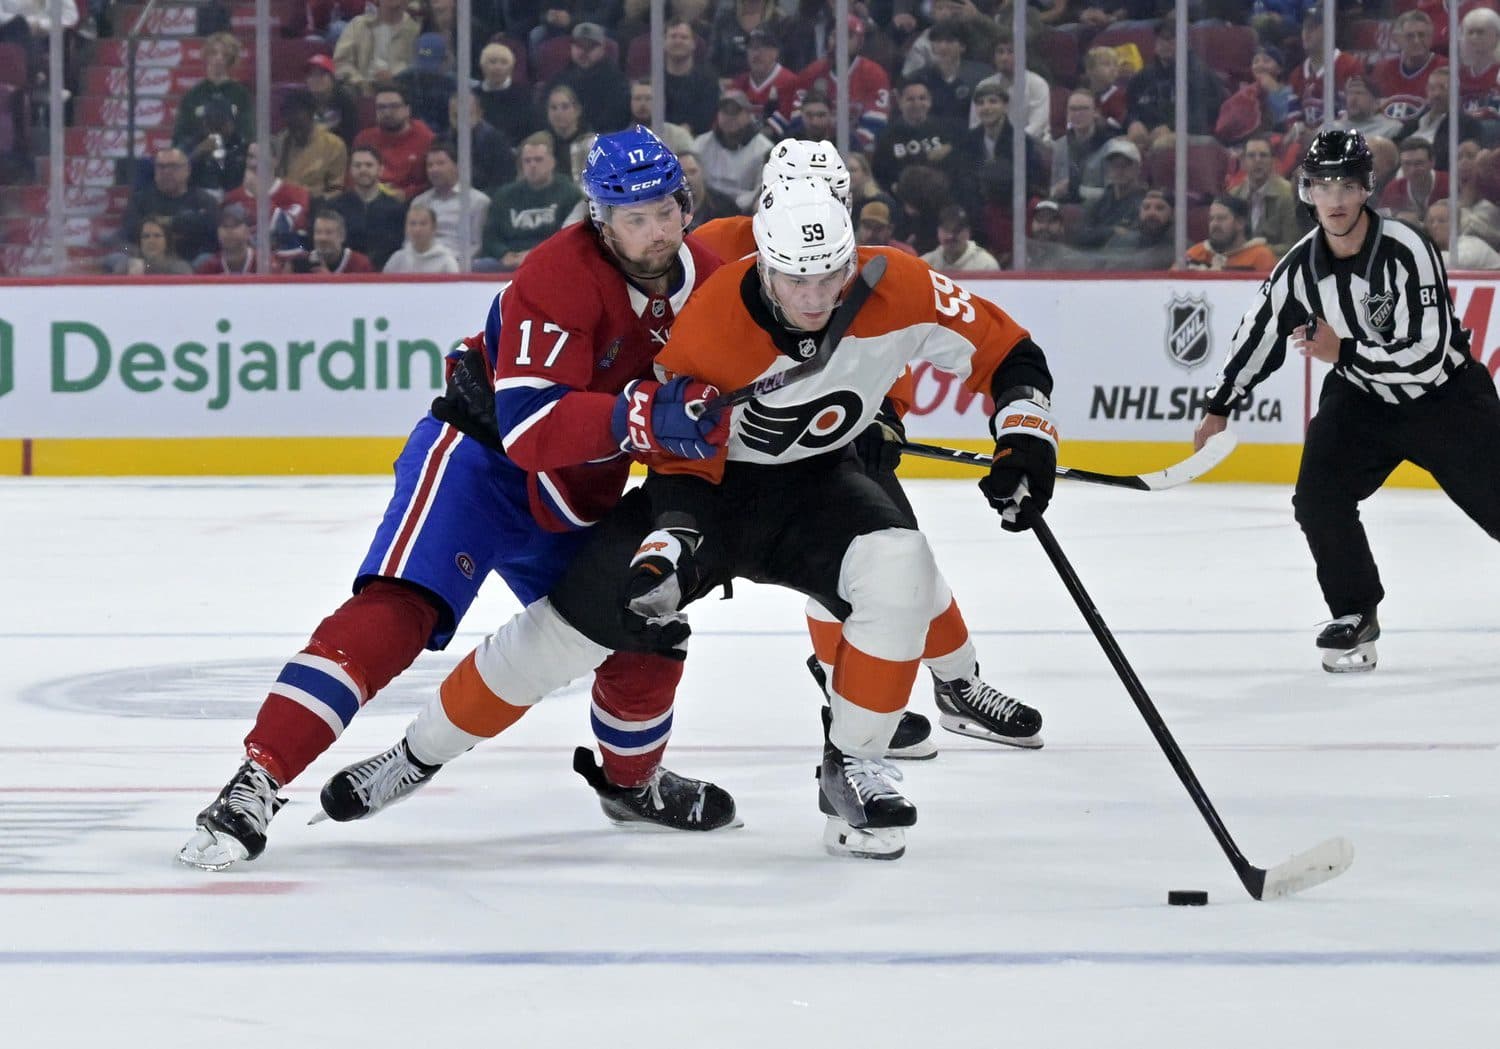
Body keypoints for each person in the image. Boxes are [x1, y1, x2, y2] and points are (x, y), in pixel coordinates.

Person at [323, 175, 1058, 861]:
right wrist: (673, 544)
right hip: (709, 496)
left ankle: (855, 770)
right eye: (794, 278)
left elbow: (1005, 349)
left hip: (817, 489)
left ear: (853, 259)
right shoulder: (709, 322)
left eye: (830, 276)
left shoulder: (896, 282)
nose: (812, 298)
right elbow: (682, 463)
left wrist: (1025, 437)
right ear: (761, 258)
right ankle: (416, 754)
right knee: (563, 635)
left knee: (901, 566)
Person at [178, 127, 728, 871]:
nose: (656, 230)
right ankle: (254, 781)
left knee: (647, 621)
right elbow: (532, 427)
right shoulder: (558, 273)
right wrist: (644, 414)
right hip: (480, 464)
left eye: (666, 209)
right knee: (397, 613)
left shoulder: (712, 276)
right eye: (634, 216)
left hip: (579, 488)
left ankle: (632, 784)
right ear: (599, 218)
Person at [690, 140, 1041, 752]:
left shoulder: (860, 262)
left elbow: (884, 339)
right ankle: (845, 691)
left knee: (903, 562)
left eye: (835, 202)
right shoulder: (715, 249)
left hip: (834, 435)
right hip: (746, 457)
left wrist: (886, 413)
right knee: (842, 575)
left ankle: (955, 683)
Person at [1192, 129, 1496, 675]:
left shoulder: (1408, 249)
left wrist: (1342, 351)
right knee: (1318, 500)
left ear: (1366, 190)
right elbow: (1257, 334)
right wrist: (1220, 403)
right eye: (1322, 185)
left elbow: (1427, 354)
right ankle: (1355, 613)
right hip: (1361, 400)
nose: (1334, 198)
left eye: (1346, 185)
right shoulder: (1298, 267)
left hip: (1446, 400)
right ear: (1307, 192)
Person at [479, 132, 582, 271]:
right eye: (527, 161)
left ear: (552, 162)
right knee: (479, 266)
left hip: (552, 259)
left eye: (538, 160)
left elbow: (572, 237)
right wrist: (503, 254)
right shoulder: (504, 196)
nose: (532, 165)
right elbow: (490, 237)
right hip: (510, 260)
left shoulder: (570, 193)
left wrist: (534, 254)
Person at [122, 147, 220, 264]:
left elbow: (212, 236)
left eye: (173, 166)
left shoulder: (204, 200)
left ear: (187, 170)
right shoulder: (140, 200)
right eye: (161, 167)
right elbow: (130, 232)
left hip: (192, 263)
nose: (166, 172)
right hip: (148, 262)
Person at [691, 90, 774, 212]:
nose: (729, 117)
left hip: (742, 210)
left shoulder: (764, 149)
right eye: (725, 112)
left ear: (748, 115)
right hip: (706, 207)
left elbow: (762, 190)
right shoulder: (701, 144)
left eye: (735, 112)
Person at [329, 144, 409, 269]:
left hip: (386, 275)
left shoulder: (396, 209)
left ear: (380, 169)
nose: (363, 170)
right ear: (350, 170)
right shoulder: (335, 207)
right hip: (345, 275)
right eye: (358, 165)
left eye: (369, 165)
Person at [172, 32, 253, 153]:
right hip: (197, 160)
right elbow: (179, 136)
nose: (219, 58)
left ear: (231, 59)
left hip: (234, 159)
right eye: (214, 53)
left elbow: (248, 133)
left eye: (225, 55)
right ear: (206, 55)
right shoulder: (193, 95)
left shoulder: (241, 94)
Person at [352, 85, 436, 200]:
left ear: (407, 110)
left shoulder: (426, 139)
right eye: (381, 107)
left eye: (394, 106)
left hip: (411, 203)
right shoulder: (364, 138)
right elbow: (351, 178)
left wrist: (406, 194)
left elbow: (434, 181)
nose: (387, 112)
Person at [411, 142, 491, 261]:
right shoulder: (419, 202)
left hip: (458, 263)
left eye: (440, 164)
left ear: (457, 166)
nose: (434, 169)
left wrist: (453, 264)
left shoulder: (478, 201)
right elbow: (410, 241)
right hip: (422, 262)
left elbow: (477, 245)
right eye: (430, 165)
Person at [547, 22, 631, 134]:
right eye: (579, 46)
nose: (584, 52)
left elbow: (615, 118)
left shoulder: (616, 81)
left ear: (602, 48)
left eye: (590, 46)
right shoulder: (560, 78)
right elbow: (544, 109)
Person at [1230, 133, 1304, 258]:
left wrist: (1254, 251)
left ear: (1272, 161)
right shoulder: (1234, 195)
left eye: (1263, 155)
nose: (1257, 160)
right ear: (1243, 161)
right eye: (1251, 155)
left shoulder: (1287, 195)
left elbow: (1293, 246)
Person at [333, 0, 421, 95]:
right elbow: (341, 63)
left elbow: (421, 66)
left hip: (403, 97)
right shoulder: (358, 25)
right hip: (361, 95)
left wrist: (394, 78)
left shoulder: (417, 32)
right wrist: (361, 83)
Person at [275, 87, 349, 199]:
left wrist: (311, 198)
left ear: (310, 114)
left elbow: (336, 190)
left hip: (317, 205)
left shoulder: (334, 145)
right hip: (282, 203)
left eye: (297, 117)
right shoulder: (281, 140)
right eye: (287, 117)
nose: (291, 121)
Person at [1179, 195, 1277, 272]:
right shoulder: (1195, 253)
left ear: (1240, 223)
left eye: (1221, 218)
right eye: (1211, 219)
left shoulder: (1260, 256)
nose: (1214, 224)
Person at [382, 202, 461, 272]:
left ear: (434, 228)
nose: (417, 229)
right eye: (412, 224)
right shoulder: (397, 259)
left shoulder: (446, 261)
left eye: (423, 224)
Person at [305, 53, 361, 147]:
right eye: (311, 75)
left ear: (333, 79)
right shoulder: (301, 103)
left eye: (321, 75)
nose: (315, 79)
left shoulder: (346, 104)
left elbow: (351, 137)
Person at [296, 209, 375, 274]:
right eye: (318, 232)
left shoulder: (360, 264)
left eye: (329, 232)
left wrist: (330, 280)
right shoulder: (302, 262)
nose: (323, 238)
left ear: (342, 236)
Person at [922, 204, 999, 271]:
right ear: (938, 232)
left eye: (957, 230)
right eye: (946, 229)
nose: (950, 236)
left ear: (968, 232)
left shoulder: (986, 265)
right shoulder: (925, 264)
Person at [194, 202, 262, 275]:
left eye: (235, 225)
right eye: (224, 226)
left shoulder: (265, 263)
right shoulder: (207, 268)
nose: (229, 231)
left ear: (247, 231)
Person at [122, 216, 193, 275]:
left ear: (167, 240)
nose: (151, 241)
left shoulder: (181, 268)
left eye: (157, 236)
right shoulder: (127, 267)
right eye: (146, 236)